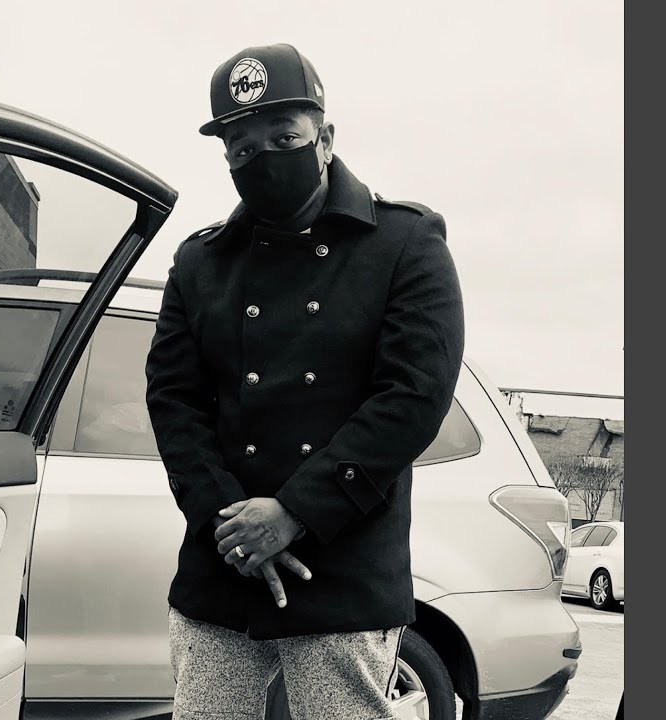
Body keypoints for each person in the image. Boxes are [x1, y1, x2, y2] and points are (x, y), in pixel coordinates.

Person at [145, 43, 465, 719]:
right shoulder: (200, 262)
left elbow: (413, 395)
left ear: (325, 139)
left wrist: (294, 513)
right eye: (241, 147)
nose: (261, 157)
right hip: (222, 571)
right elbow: (173, 399)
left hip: (340, 567)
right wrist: (229, 523)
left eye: (283, 137)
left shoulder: (404, 243)